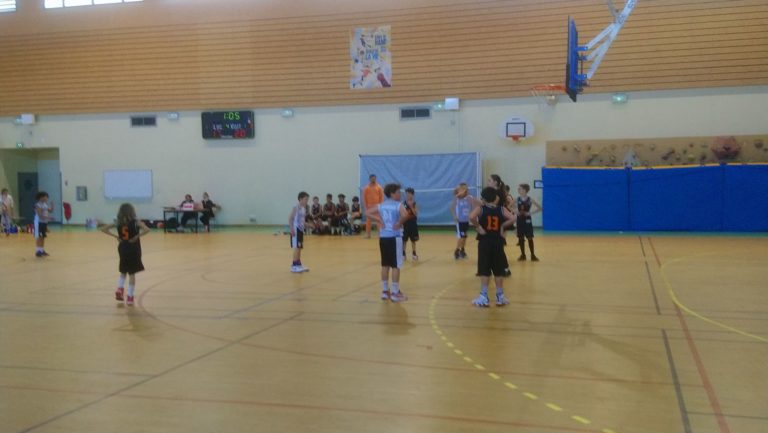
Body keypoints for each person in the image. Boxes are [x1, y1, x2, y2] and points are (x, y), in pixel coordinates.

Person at [469, 186, 515, 307]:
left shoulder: (481, 209)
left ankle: (483, 296)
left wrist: (478, 227)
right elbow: (513, 218)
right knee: (498, 270)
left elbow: (471, 217)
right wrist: (502, 226)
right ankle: (500, 296)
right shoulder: (501, 209)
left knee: (484, 270)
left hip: (485, 242)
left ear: (484, 199)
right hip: (498, 242)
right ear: (495, 198)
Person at [366, 183, 411, 302]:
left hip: (383, 238)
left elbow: (368, 213)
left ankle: (385, 291)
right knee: (396, 265)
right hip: (394, 238)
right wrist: (399, 223)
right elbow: (406, 214)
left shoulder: (381, 205)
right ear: (392, 194)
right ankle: (395, 293)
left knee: (385, 265)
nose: (400, 194)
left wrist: (378, 219)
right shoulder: (398, 205)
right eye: (398, 192)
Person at [100, 203, 150, 306]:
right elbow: (147, 230)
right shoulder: (136, 222)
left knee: (123, 270)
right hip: (134, 249)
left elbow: (103, 229)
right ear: (132, 211)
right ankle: (130, 297)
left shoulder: (118, 222)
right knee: (132, 273)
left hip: (123, 248)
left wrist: (116, 236)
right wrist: (136, 236)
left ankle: (120, 288)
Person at [516, 183, 542, 261]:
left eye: (520, 189)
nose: (518, 190)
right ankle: (523, 255)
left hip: (527, 220)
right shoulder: (517, 199)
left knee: (530, 238)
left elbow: (540, 208)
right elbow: (509, 206)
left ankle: (533, 255)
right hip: (519, 220)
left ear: (524, 190)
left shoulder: (530, 199)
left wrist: (530, 213)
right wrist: (516, 211)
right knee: (521, 238)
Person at [450, 183, 474, 260]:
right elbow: (451, 208)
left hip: (466, 221)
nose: (465, 190)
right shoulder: (457, 198)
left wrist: (472, 216)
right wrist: (455, 216)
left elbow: (473, 207)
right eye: (462, 189)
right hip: (459, 221)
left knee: (464, 236)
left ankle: (462, 250)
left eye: (466, 189)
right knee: (461, 236)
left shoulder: (469, 198)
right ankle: (457, 251)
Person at [289, 191, 311, 273]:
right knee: (296, 247)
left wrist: (310, 225)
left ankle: (298, 264)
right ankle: (294, 266)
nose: (307, 201)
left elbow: (303, 221)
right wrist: (292, 229)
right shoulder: (296, 207)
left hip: (301, 230)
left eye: (307, 199)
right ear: (300, 199)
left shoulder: (303, 209)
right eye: (306, 199)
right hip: (296, 229)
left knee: (299, 247)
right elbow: (290, 218)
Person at [362, 174, 384, 238]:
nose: (373, 179)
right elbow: (364, 198)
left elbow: (381, 197)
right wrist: (366, 206)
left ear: (376, 179)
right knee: (368, 221)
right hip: (369, 207)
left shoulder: (379, 187)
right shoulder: (366, 188)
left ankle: (380, 234)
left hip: (377, 206)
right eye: (372, 178)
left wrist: (380, 206)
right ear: (369, 179)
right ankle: (368, 235)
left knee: (378, 220)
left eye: (374, 178)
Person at [33, 191, 53, 257]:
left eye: (47, 197)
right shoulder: (38, 205)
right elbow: (40, 215)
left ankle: (41, 250)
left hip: (44, 223)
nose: (46, 198)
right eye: (45, 197)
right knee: (39, 237)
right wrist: (49, 218)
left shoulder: (45, 204)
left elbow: (50, 211)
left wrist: (52, 206)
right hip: (39, 223)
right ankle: (38, 251)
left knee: (43, 237)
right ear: (41, 197)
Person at [402, 187, 419, 260]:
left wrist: (411, 207)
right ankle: (403, 254)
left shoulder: (415, 203)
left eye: (409, 194)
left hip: (413, 224)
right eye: (407, 194)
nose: (408, 195)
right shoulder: (403, 204)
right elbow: (401, 214)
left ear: (412, 195)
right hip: (405, 224)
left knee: (413, 240)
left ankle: (414, 253)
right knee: (404, 240)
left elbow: (416, 214)